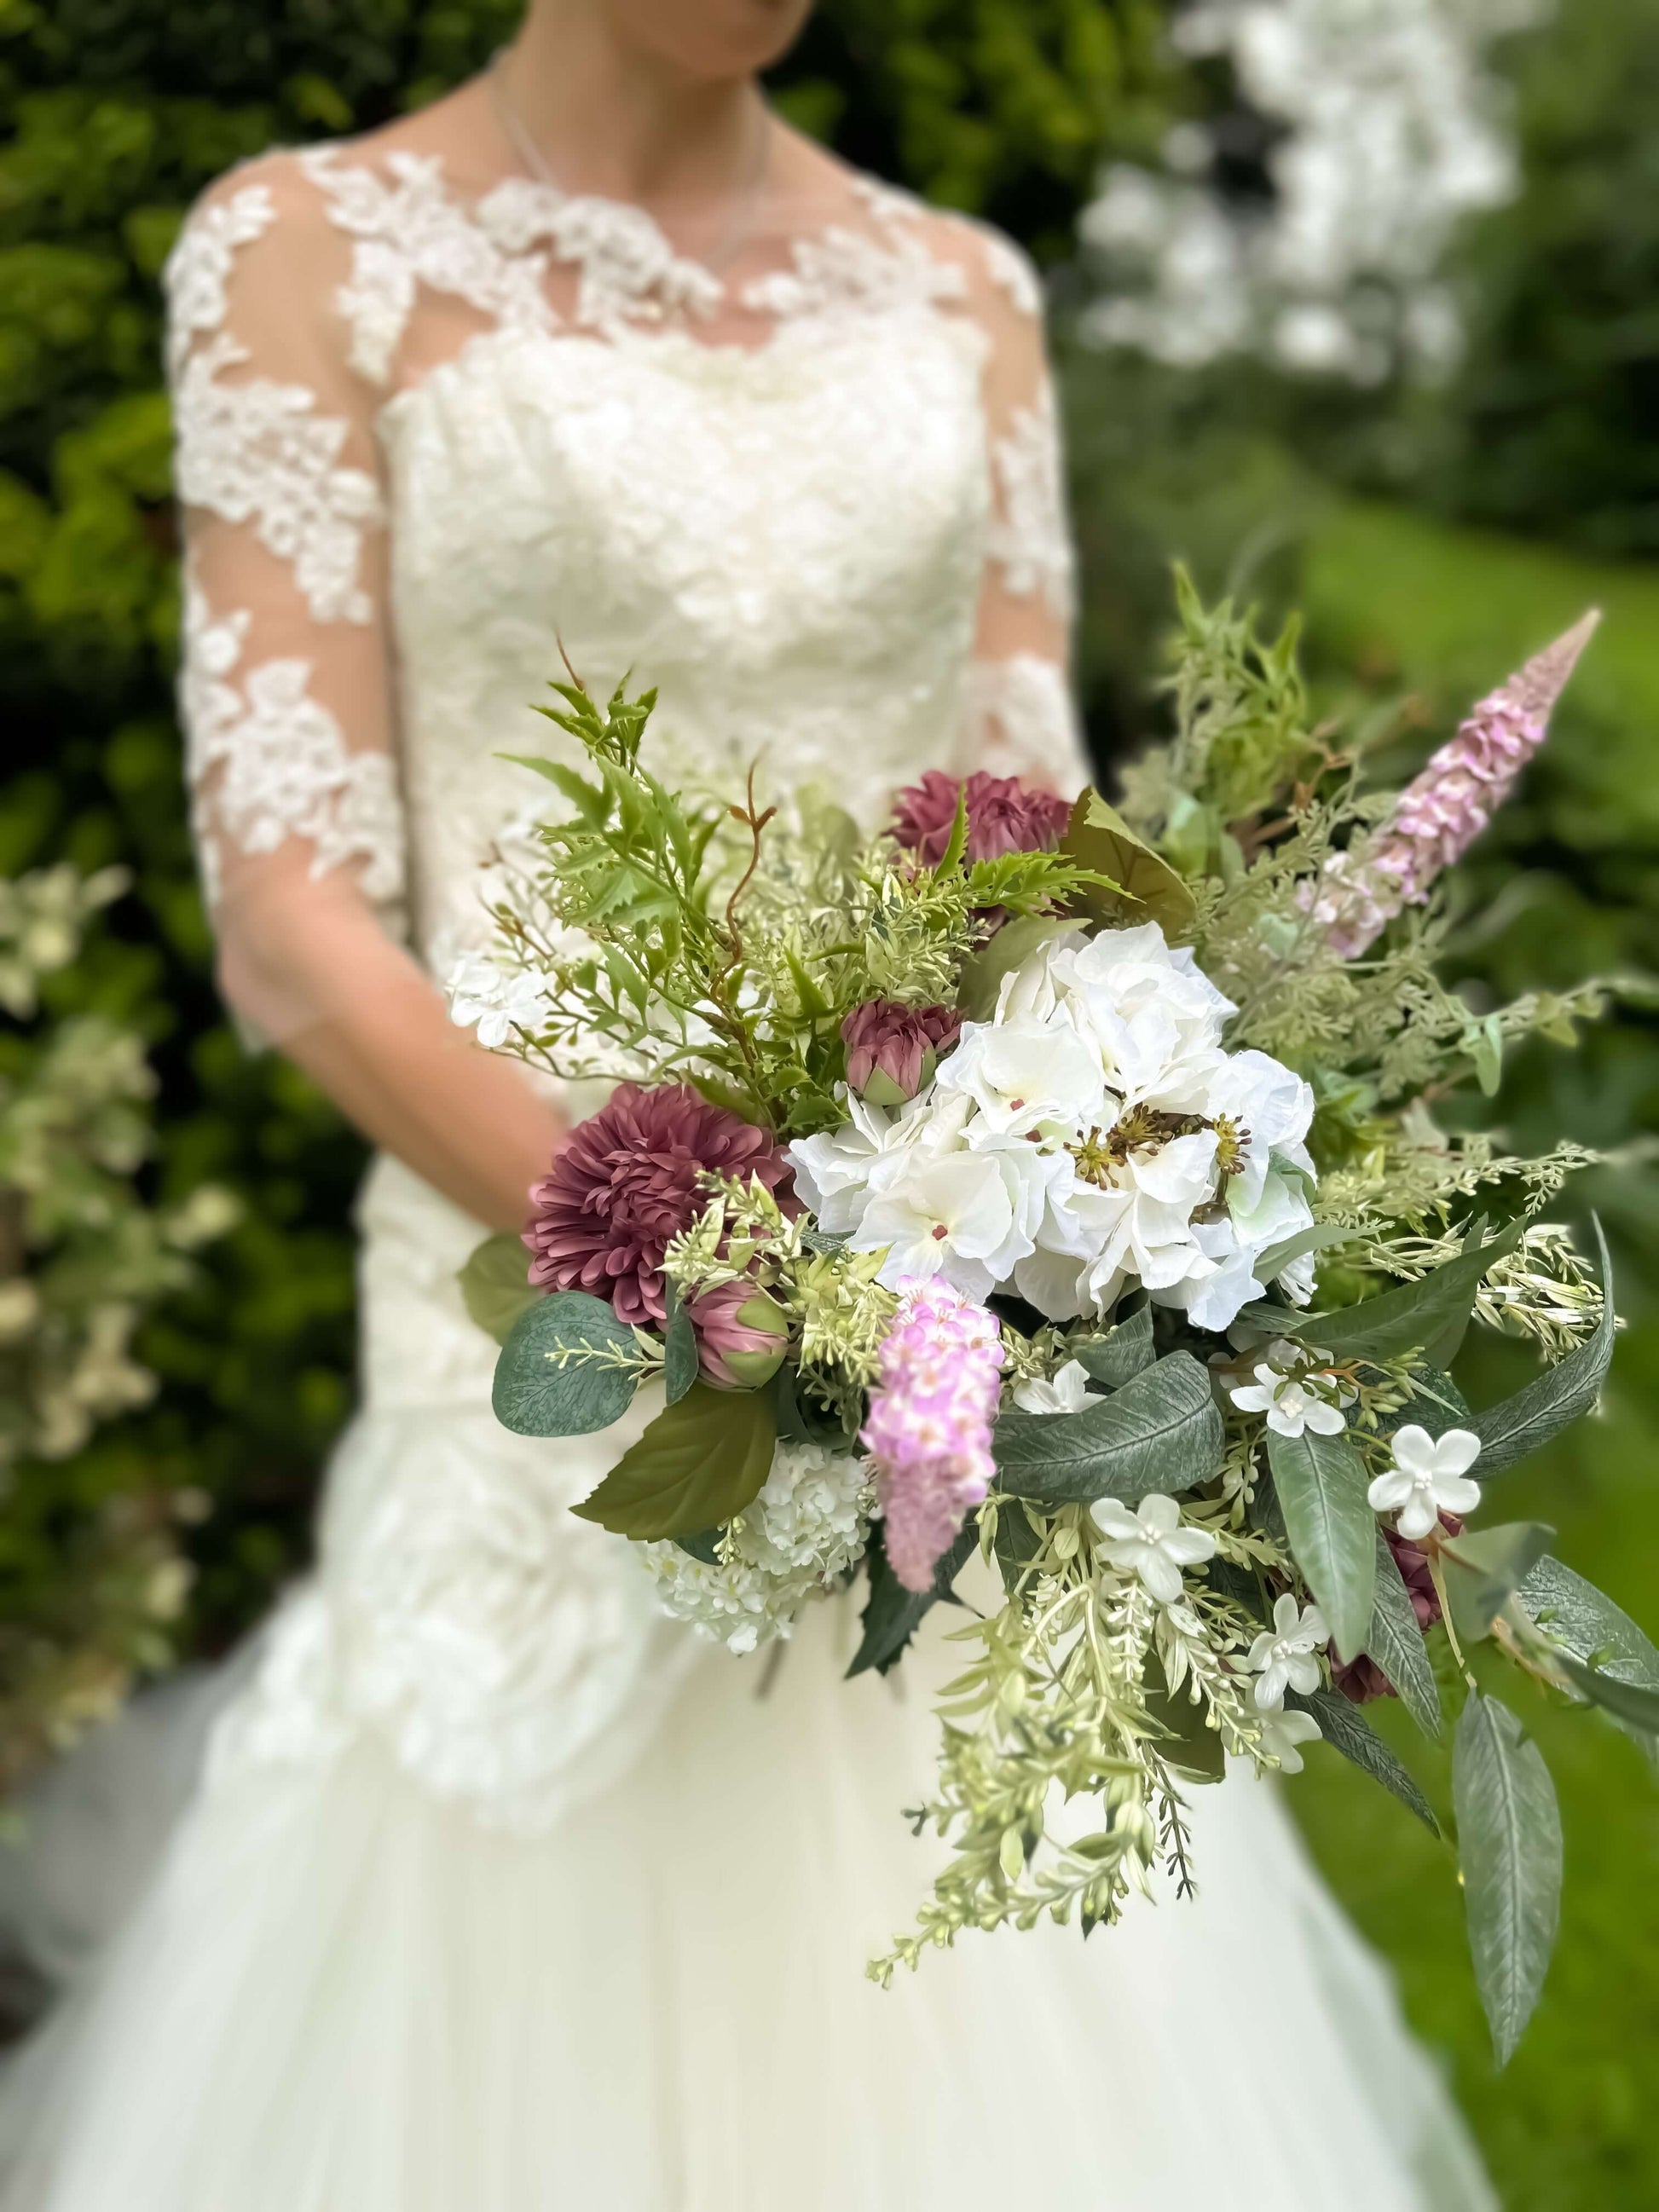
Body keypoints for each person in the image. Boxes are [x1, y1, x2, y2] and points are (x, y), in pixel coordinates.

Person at [0, 3, 1497, 2204]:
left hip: (938, 1338)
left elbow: (1034, 851)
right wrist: (731, 1264)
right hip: (538, 1316)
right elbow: (295, 923)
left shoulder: (959, 292)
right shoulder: (303, 253)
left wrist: (1155, 1264)